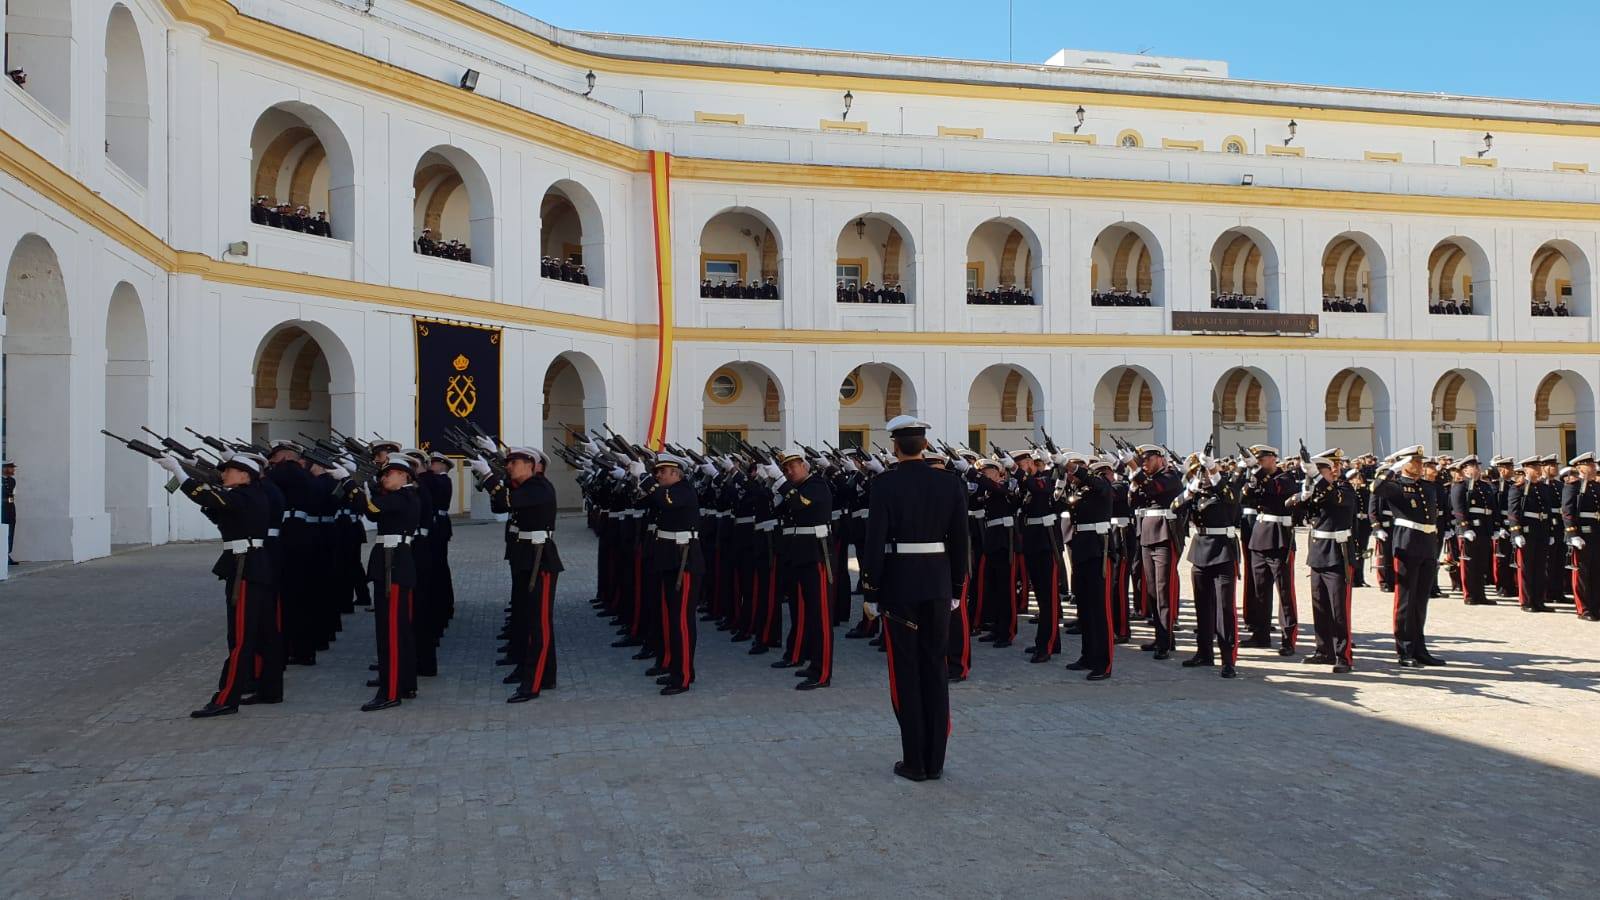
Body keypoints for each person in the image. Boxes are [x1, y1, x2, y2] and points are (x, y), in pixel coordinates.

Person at [858, 415, 969, 782]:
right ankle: (936, 760)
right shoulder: (950, 483)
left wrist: (871, 589)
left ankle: (914, 761)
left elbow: (874, 541)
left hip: (900, 585)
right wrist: (955, 588)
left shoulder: (885, 485)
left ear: (894, 446)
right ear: (924, 445)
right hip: (938, 583)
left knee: (906, 673)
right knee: (935, 670)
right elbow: (960, 540)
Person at [156, 453, 281, 717]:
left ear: (245, 475)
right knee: (262, 632)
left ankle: (227, 698)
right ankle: (269, 689)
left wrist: (179, 472)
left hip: (245, 568)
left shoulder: (244, 495)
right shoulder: (250, 496)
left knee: (240, 637)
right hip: (252, 564)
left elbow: (209, 498)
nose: (224, 475)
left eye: (230, 471)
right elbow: (219, 511)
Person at [476, 448, 563, 701]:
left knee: (540, 623)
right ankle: (544, 674)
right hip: (526, 556)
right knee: (528, 618)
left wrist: (490, 476)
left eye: (514, 462)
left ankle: (532, 683)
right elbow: (502, 504)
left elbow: (507, 501)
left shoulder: (539, 487)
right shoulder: (524, 487)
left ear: (531, 465)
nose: (510, 466)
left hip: (540, 559)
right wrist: (492, 479)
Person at [342, 456, 421, 711]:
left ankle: (390, 691)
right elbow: (374, 512)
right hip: (391, 565)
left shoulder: (405, 497)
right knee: (398, 631)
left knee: (391, 632)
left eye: (389, 474)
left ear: (404, 477)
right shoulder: (399, 497)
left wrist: (349, 482)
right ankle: (405, 683)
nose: (384, 478)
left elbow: (373, 508)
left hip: (393, 567)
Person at [1373, 446, 1444, 667]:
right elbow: (1377, 487)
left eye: (1421, 461)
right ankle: (1404, 649)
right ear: (1404, 464)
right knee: (1405, 600)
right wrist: (1390, 468)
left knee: (1421, 600)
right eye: (1416, 461)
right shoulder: (1395, 487)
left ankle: (1419, 647)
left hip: (1427, 545)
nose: (1421, 465)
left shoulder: (1426, 487)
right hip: (1407, 544)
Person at [638, 453, 702, 695]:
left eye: (662, 472)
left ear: (676, 473)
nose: (658, 475)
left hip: (684, 561)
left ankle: (683, 676)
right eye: (657, 472)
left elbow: (666, 502)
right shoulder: (666, 492)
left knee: (682, 622)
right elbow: (641, 503)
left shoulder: (684, 491)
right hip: (668, 558)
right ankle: (677, 667)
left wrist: (645, 479)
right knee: (671, 619)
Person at [1172, 452, 1241, 678]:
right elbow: (1175, 507)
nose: (1199, 477)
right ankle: (1204, 652)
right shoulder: (1195, 493)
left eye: (1201, 473)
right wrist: (1190, 489)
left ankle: (1228, 659)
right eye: (1195, 474)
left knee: (1225, 609)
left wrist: (1213, 473)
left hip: (1223, 551)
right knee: (1203, 606)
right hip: (1200, 550)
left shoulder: (1226, 487)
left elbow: (1231, 497)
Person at [773, 448, 835, 689]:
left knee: (820, 616)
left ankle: (823, 673)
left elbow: (800, 505)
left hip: (817, 556)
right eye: (785, 469)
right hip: (800, 554)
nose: (788, 471)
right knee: (807, 613)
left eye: (792, 467)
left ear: (805, 466)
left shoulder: (816, 484)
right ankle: (813, 663)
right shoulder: (798, 487)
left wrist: (781, 484)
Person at [1292, 451, 1358, 673]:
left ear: (1332, 472)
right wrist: (1302, 497)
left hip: (1338, 554)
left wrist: (1316, 481)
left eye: (1320, 471)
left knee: (1339, 609)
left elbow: (1334, 498)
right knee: (1319, 605)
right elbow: (1297, 514)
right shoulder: (1317, 492)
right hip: (1318, 552)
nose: (1316, 476)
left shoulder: (1344, 489)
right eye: (1314, 471)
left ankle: (1343, 655)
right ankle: (1323, 650)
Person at [1242, 445, 1300, 655]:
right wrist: (1251, 478)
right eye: (1256, 460)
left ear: (1273, 459)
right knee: (1260, 590)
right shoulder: (1258, 477)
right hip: (1259, 535)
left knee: (1285, 591)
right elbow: (1245, 497)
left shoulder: (1286, 478)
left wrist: (1256, 473)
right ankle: (1260, 634)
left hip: (1279, 538)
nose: (1259, 463)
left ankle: (1288, 639)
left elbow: (1274, 490)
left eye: (1262, 459)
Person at [1062, 455, 1115, 680]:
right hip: (1082, 548)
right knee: (1085, 607)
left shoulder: (1104, 486)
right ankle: (1088, 655)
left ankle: (1104, 662)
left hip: (1098, 549)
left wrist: (1075, 468)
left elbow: (1100, 485)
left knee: (1100, 609)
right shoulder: (1081, 491)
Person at [1131, 445, 1183, 659]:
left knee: (1164, 591)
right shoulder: (1145, 479)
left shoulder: (1170, 475)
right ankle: (1162, 636)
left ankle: (1166, 640)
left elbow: (1153, 489)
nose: (1144, 462)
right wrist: (1133, 486)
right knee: (1151, 590)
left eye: (1148, 458)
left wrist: (1134, 470)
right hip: (1147, 534)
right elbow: (1134, 502)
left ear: (1160, 459)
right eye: (1140, 459)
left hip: (1164, 535)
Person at [1450, 455, 1497, 605]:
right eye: (1474, 466)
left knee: (1482, 563)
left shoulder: (1484, 486)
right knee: (1469, 564)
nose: (1477, 469)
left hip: (1484, 529)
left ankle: (1480, 594)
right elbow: (1459, 509)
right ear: (1465, 469)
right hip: (1469, 530)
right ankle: (1469, 595)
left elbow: (1491, 508)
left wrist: (1494, 527)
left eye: (1478, 466)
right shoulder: (1460, 486)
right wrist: (1465, 527)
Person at [1507, 455, 1549, 612]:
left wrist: (1549, 531)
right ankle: (1526, 601)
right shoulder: (1517, 488)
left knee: (1540, 568)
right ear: (1526, 469)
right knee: (1526, 569)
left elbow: (1547, 512)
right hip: (1526, 532)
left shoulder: (1544, 488)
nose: (1538, 470)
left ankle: (1539, 600)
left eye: (1539, 467)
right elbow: (1513, 512)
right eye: (1535, 467)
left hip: (1541, 531)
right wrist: (1516, 532)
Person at [1561, 452, 1600, 621]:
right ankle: (1583, 608)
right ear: (1579, 468)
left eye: (1593, 464)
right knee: (1582, 573)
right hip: (1582, 535)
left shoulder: (1596, 486)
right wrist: (1572, 534)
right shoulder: (1573, 486)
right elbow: (1567, 512)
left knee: (1596, 572)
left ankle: (1596, 606)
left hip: (1597, 533)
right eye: (1589, 465)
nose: (1593, 467)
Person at [2, 460, 15, 565]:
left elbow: (12, 495)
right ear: (4, 468)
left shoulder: (12, 481)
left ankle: (7, 554)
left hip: (10, 510)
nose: (13, 469)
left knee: (10, 533)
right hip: (2, 510)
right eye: (11, 467)